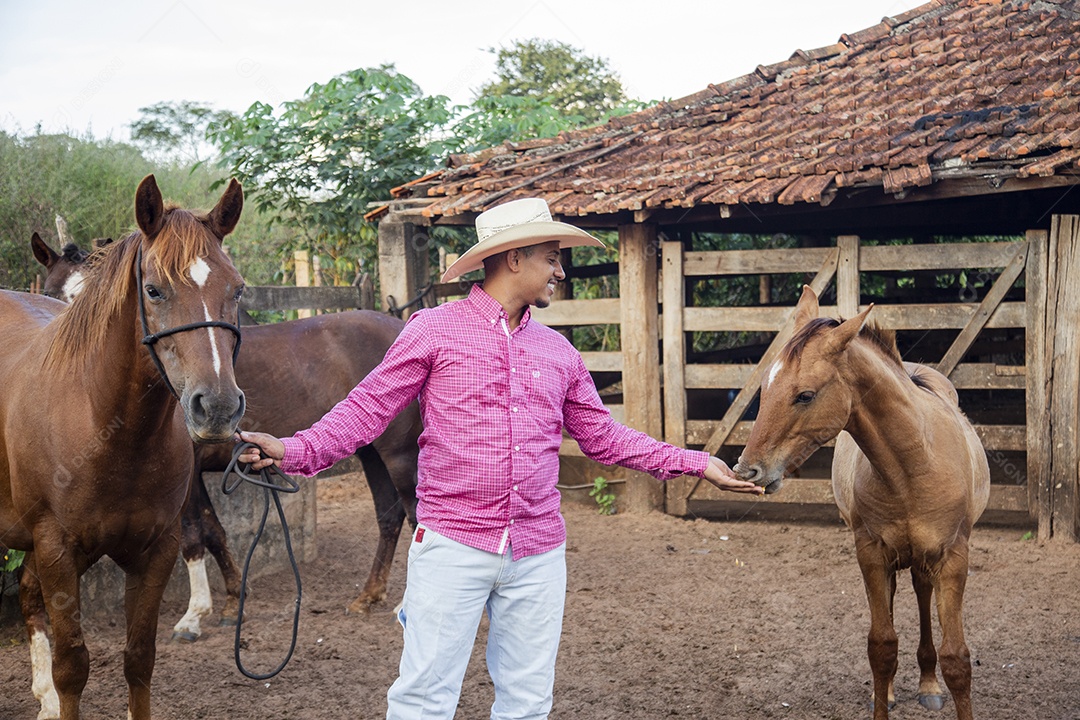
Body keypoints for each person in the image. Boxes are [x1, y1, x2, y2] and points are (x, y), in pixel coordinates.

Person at [236, 198, 764, 720]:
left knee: (528, 703)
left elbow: (602, 437)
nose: (561, 270)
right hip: (451, 545)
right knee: (423, 699)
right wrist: (294, 449)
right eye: (552, 257)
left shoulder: (558, 352)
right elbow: (367, 409)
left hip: (537, 553)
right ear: (514, 258)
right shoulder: (432, 330)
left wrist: (694, 462)